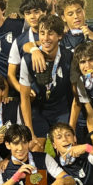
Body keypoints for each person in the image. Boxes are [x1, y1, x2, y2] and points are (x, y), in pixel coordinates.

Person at [18, 14, 75, 143]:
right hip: (38, 110)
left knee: (67, 145)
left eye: (50, 33)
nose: (45, 38)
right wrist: (29, 131)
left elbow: (76, 95)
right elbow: (24, 97)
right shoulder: (27, 60)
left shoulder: (69, 57)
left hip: (61, 109)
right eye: (42, 33)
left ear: (59, 36)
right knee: (36, 146)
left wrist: (71, 127)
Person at [7, 0, 50, 95]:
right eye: (28, 13)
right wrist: (24, 91)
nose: (32, 16)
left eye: (36, 12)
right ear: (25, 16)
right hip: (33, 96)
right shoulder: (19, 41)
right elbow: (10, 75)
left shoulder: (56, 35)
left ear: (45, 12)